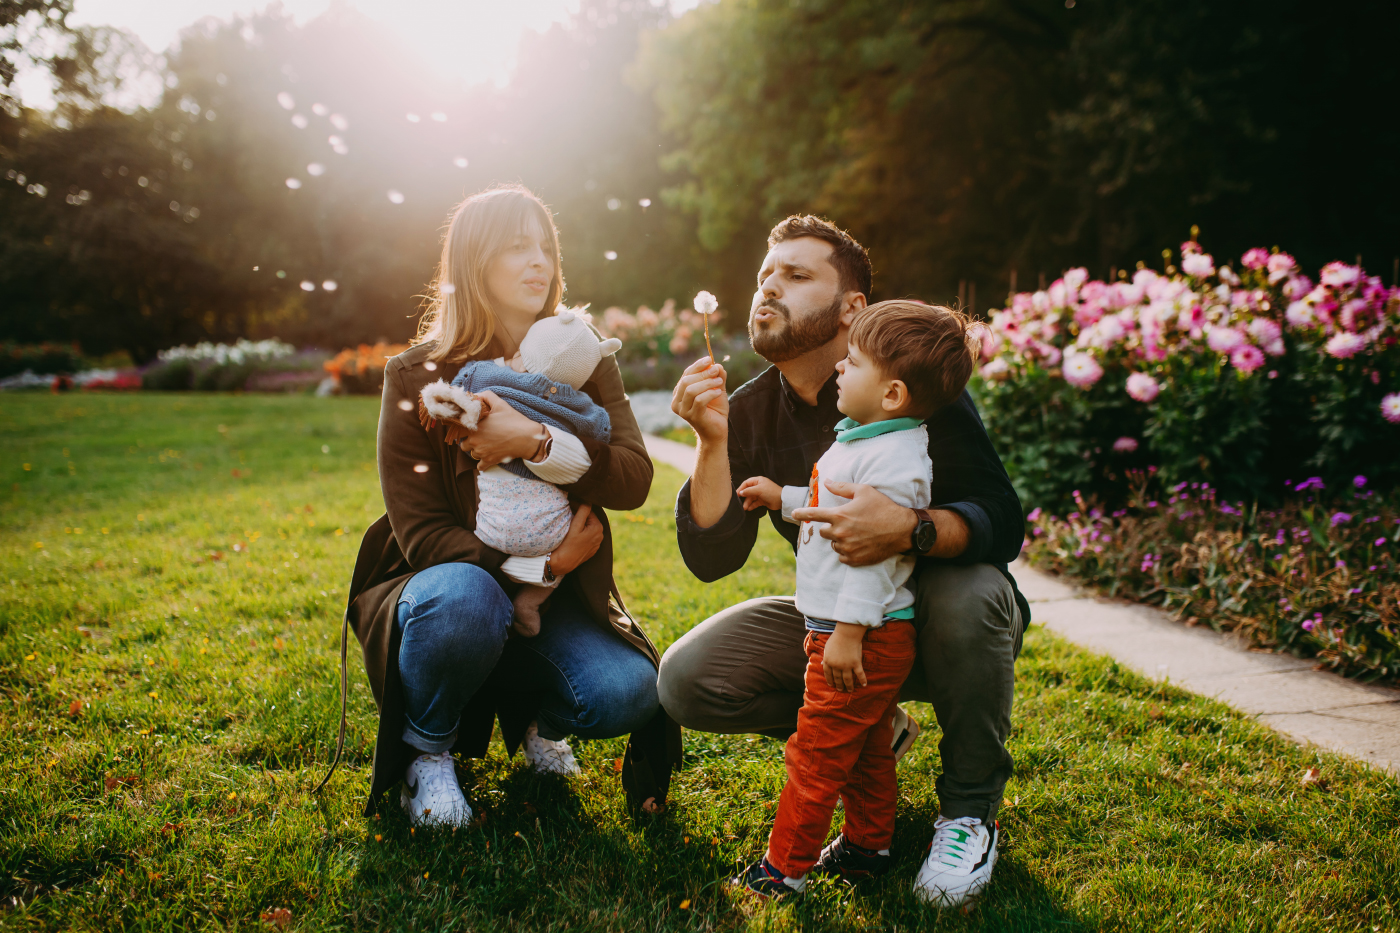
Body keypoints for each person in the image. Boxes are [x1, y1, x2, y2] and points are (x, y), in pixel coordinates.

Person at [661, 215, 1030, 907]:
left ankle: (970, 812)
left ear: (851, 306)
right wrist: (712, 443)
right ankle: (875, 733)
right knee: (688, 679)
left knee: (971, 591)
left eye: (797, 276)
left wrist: (911, 529)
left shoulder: (911, 394)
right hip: (833, 627)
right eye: (767, 274)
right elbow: (713, 557)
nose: (770, 286)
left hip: (934, 620)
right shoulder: (748, 411)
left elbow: (1002, 519)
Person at [335, 184, 679, 828]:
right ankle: (427, 752)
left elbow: (633, 480)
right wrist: (542, 571)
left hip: (555, 596)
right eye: (517, 247)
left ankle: (536, 719)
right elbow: (424, 535)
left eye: (545, 247)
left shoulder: (582, 359)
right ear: (474, 263)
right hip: (445, 587)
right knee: (467, 597)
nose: (539, 263)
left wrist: (537, 441)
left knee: (627, 692)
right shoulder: (418, 378)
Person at [731, 300, 978, 898]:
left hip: (863, 633)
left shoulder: (894, 462)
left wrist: (847, 635)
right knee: (867, 747)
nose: (841, 367)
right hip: (847, 630)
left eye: (855, 361)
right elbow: (834, 503)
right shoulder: (865, 438)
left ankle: (783, 870)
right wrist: (782, 498)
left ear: (892, 394)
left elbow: (877, 558)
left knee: (815, 753)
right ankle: (870, 847)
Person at [418, 310, 623, 636]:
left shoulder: (486, 376)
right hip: (555, 531)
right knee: (571, 521)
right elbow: (602, 432)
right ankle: (530, 602)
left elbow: (461, 389)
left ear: (522, 350)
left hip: (491, 529)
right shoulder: (580, 405)